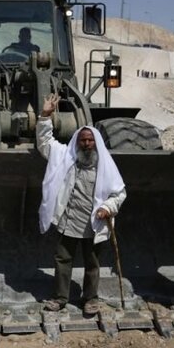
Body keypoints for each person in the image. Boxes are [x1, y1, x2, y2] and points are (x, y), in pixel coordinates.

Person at [36, 93, 126, 315]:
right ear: (77, 142)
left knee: (93, 263)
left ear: (96, 143)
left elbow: (119, 193)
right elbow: (45, 142)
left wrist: (108, 207)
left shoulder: (105, 165)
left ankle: (90, 298)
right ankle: (60, 298)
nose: (86, 144)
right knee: (62, 260)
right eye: (82, 140)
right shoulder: (65, 157)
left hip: (94, 223)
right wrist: (46, 115)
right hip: (68, 221)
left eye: (90, 140)